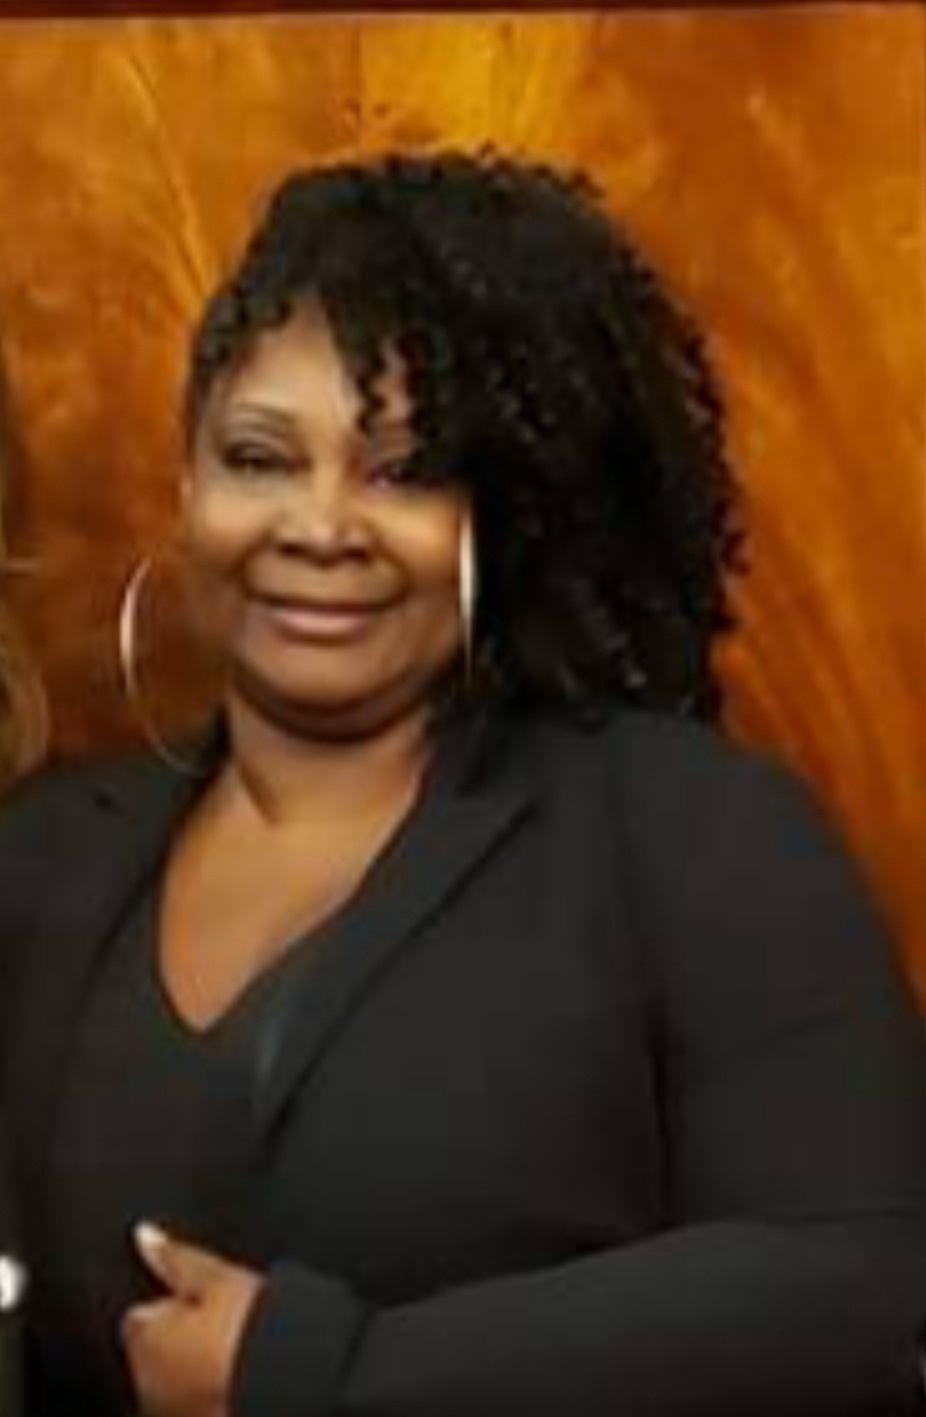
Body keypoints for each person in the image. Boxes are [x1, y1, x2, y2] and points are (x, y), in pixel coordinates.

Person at [0, 149, 924, 1417]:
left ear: (505, 511)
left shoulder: (689, 834)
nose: (319, 526)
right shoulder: (45, 864)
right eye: (260, 457)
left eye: (400, 470)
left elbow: (858, 1293)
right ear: (188, 486)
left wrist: (321, 1373)